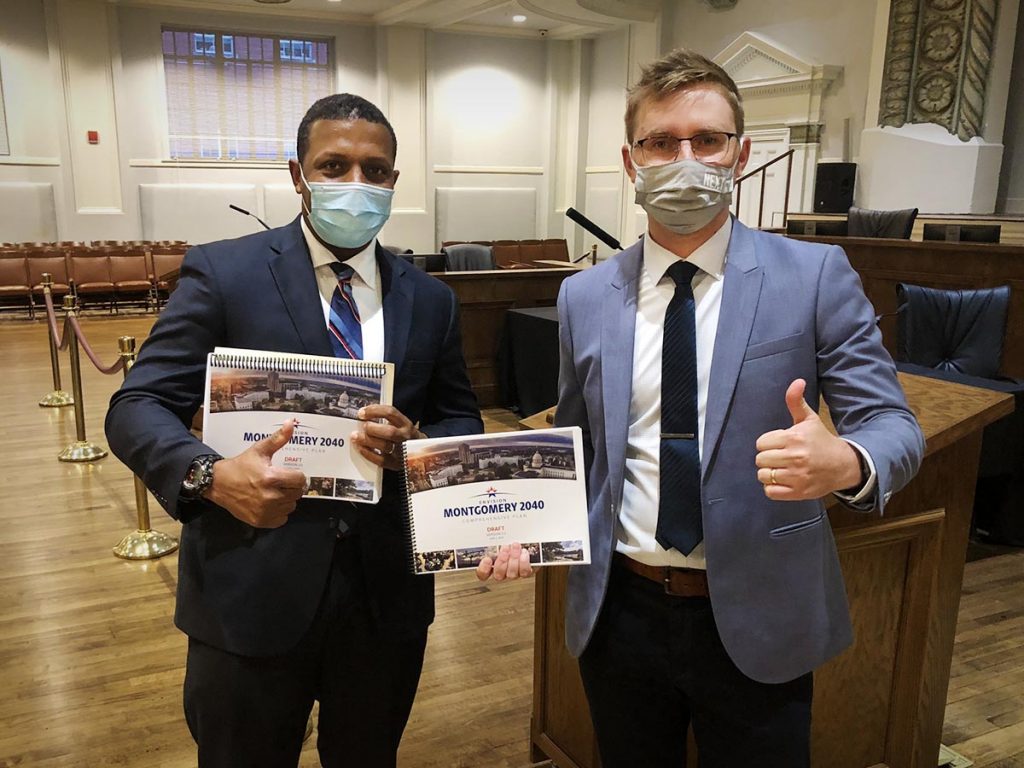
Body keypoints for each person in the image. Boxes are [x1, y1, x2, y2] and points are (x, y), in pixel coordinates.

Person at [485, 49, 925, 765]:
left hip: (761, 612)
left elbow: (894, 427)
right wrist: (519, 526)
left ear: (740, 154)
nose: (684, 159)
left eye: (707, 140)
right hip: (619, 613)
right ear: (631, 161)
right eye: (661, 142)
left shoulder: (814, 276)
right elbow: (575, 445)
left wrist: (847, 460)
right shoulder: (584, 296)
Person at [105, 93, 482, 767]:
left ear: (394, 180)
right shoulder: (225, 272)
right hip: (249, 584)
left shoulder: (431, 299)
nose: (355, 183)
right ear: (297, 174)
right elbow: (137, 404)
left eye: (374, 170)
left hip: (384, 600)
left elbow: (462, 421)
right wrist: (210, 477)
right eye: (334, 166)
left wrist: (416, 445)